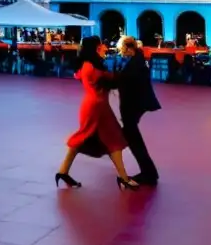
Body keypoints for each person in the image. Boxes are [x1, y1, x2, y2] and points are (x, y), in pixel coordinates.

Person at [56, 36, 139, 190]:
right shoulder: (92, 67)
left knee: (111, 140)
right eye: (101, 46)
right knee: (106, 139)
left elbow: (82, 76)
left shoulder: (87, 65)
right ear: (95, 48)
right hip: (96, 107)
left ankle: (63, 172)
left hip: (96, 106)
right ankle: (123, 178)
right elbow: (109, 79)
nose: (105, 48)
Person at [115, 37, 161, 185]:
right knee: (133, 138)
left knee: (134, 140)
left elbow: (127, 83)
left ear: (129, 48)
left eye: (122, 49)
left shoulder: (136, 64)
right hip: (136, 105)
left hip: (133, 106)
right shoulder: (138, 60)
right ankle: (149, 172)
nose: (121, 53)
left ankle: (149, 173)